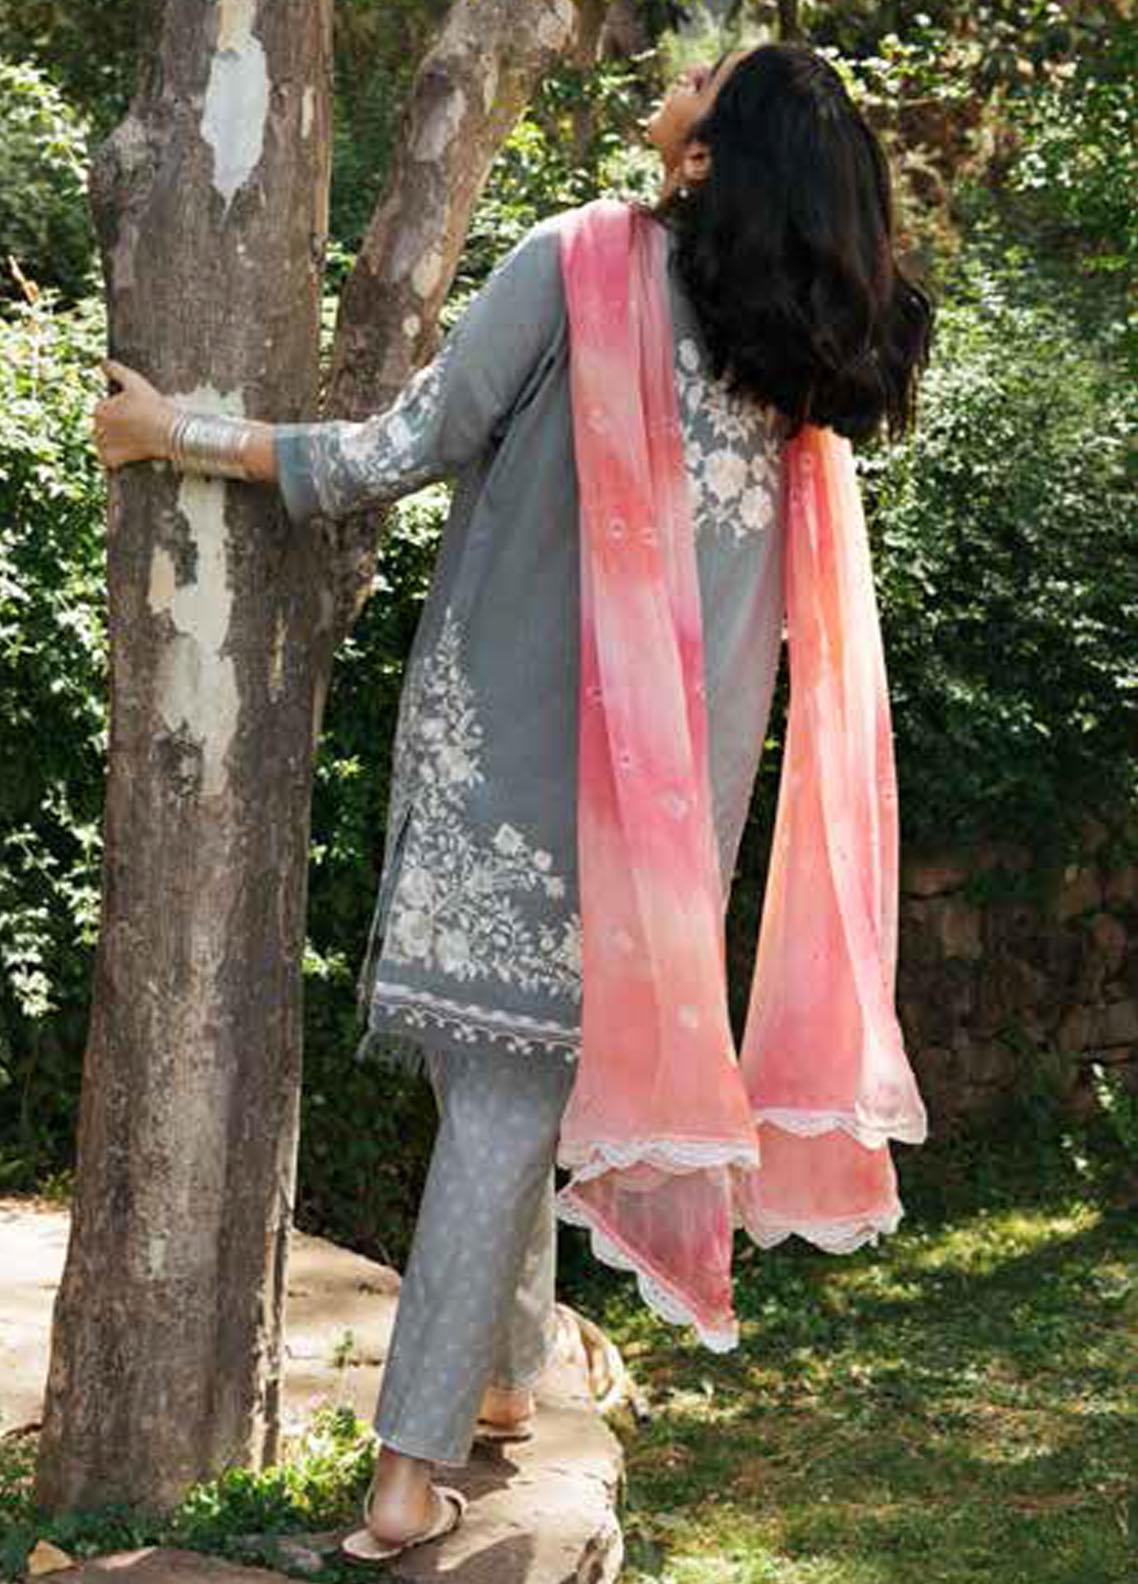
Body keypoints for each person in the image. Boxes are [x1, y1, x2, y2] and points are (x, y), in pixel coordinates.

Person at [92, 40, 932, 1564]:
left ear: (709, 151)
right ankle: (501, 1375)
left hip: (513, 782)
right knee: (513, 1087)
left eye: (707, 78)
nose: (679, 70)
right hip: (663, 832)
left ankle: (403, 1475)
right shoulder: (784, 361)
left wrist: (178, 437)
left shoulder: (580, 265)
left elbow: (401, 447)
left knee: (492, 1099)